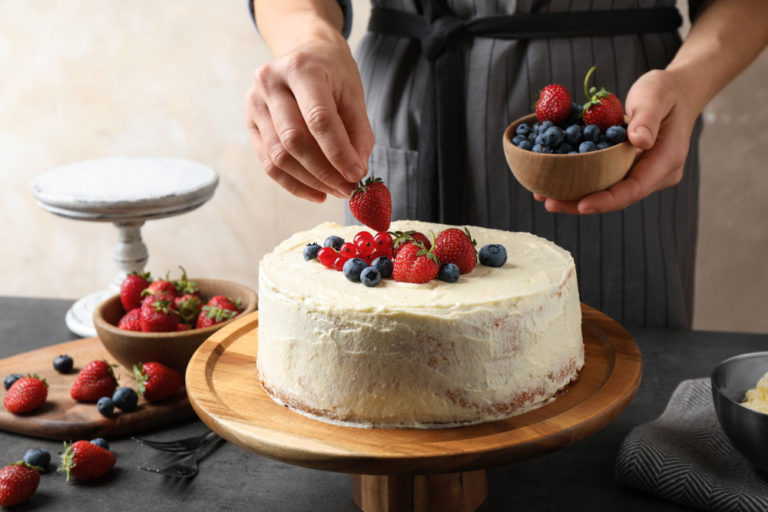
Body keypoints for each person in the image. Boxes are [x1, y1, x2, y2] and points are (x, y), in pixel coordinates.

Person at [245, 0, 768, 329]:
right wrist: (308, 39)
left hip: (621, 122)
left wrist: (690, 81)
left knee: (621, 398)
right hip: (412, 99)